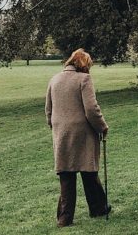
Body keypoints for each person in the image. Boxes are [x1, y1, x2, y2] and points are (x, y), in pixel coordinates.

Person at [45, 48, 110, 227]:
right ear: (84, 64)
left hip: (61, 133)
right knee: (89, 170)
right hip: (83, 133)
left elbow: (48, 109)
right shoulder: (84, 79)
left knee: (66, 174)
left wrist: (55, 126)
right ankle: (98, 208)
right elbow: (91, 109)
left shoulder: (54, 79)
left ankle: (65, 218)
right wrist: (102, 126)